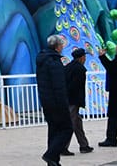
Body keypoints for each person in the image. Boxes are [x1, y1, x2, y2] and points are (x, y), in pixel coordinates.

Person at [36, 34, 72, 166]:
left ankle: (53, 161)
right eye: (61, 45)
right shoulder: (54, 62)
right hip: (57, 103)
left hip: (46, 102)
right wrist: (64, 104)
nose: (62, 47)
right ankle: (51, 155)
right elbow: (59, 86)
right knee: (67, 129)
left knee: (53, 129)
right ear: (57, 47)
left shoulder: (42, 60)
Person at [63, 47, 92, 155]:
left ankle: (84, 145)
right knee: (71, 123)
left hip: (67, 99)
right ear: (81, 58)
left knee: (77, 123)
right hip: (74, 100)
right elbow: (77, 87)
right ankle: (63, 147)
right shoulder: (80, 69)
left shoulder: (67, 67)